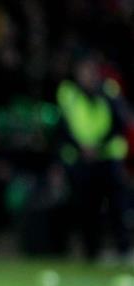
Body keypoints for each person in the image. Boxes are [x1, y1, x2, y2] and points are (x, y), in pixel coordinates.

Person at [56, 54, 131, 262]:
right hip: (82, 160)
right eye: (83, 70)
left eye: (90, 70)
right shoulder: (68, 93)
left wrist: (98, 146)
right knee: (87, 208)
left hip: (108, 158)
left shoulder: (109, 91)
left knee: (118, 206)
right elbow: (63, 127)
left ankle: (124, 250)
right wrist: (80, 147)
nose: (87, 75)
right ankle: (92, 252)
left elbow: (120, 122)